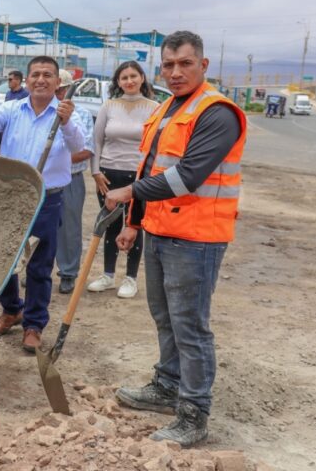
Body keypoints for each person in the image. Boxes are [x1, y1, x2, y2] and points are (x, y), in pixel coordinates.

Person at [105, 31, 246, 447]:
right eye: (168, 65)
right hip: (162, 231)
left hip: (198, 238)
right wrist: (133, 221)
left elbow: (185, 177)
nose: (176, 71)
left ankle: (193, 413)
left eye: (185, 63)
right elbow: (148, 169)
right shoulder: (167, 107)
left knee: (191, 328)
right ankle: (167, 386)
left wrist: (128, 194)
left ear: (203, 65)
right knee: (165, 318)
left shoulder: (217, 112)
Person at [0, 56, 85, 352]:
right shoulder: (13, 109)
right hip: (11, 196)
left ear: (58, 83)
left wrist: (66, 122)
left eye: (47, 75)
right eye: (35, 75)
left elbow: (80, 147)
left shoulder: (67, 113)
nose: (41, 79)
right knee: (2, 258)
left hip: (47, 198)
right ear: (27, 80)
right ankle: (12, 309)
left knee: (40, 266)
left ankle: (34, 324)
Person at [87, 61, 159, 299]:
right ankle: (108, 275)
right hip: (108, 174)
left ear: (142, 78)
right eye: (123, 77)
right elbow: (96, 141)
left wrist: (147, 178)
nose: (129, 81)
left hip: (138, 177)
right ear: (117, 82)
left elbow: (155, 147)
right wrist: (96, 171)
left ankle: (130, 278)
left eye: (133, 76)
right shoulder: (108, 106)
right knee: (110, 225)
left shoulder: (154, 107)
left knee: (135, 225)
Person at [54, 69, 95, 294]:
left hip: (70, 177)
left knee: (69, 227)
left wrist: (56, 160)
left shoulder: (83, 114)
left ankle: (68, 273)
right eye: (57, 89)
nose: (59, 93)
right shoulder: (42, 110)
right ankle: (37, 269)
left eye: (62, 89)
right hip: (44, 178)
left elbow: (86, 149)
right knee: (39, 227)